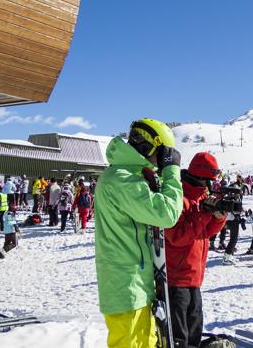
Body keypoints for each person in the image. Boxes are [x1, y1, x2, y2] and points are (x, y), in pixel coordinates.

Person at [95, 118, 183, 348]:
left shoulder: (129, 176)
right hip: (126, 286)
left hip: (135, 283)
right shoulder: (122, 179)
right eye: (161, 153)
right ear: (148, 147)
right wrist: (172, 172)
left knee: (147, 342)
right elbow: (167, 214)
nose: (160, 161)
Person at [165, 152, 228, 348]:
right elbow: (177, 236)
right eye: (209, 180)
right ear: (199, 177)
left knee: (195, 330)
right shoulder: (178, 198)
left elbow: (205, 233)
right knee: (179, 336)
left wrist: (218, 217)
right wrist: (204, 214)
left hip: (194, 275)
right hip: (177, 277)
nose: (211, 185)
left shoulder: (202, 197)